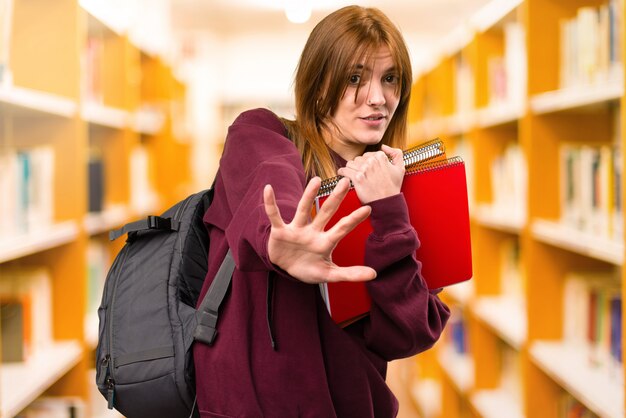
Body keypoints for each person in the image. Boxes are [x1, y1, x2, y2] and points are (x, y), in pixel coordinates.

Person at [193, 5, 450, 418]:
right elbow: (272, 179)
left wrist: (388, 211)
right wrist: (285, 237)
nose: (377, 98)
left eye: (390, 79)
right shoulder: (261, 134)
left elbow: (411, 333)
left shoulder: (402, 192)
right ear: (316, 86)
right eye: (354, 78)